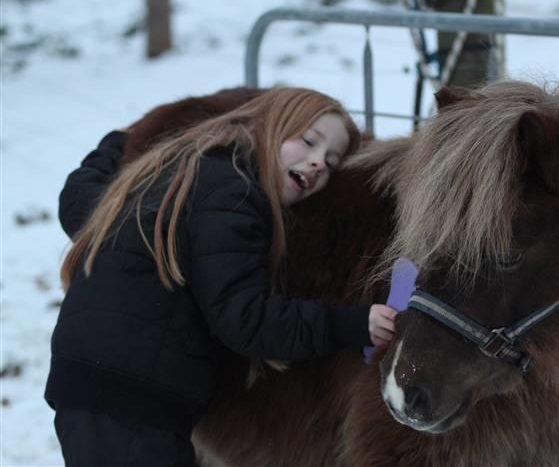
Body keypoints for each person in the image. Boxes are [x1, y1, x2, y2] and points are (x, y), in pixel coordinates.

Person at [45, 87, 397, 466]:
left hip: (88, 383)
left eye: (330, 163)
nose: (316, 163)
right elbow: (246, 320)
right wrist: (353, 324)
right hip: (133, 397)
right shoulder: (233, 197)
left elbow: (81, 204)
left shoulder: (176, 174)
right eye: (308, 142)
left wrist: (118, 142)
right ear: (270, 126)